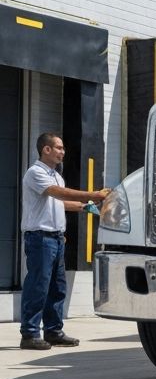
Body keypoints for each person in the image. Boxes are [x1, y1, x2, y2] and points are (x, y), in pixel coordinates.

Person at [20, 133, 109, 351]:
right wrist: (93, 194)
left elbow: (58, 203)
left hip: (57, 238)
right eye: (59, 147)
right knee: (38, 287)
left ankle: (53, 332)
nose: (63, 151)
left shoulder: (57, 176)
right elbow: (57, 193)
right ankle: (30, 334)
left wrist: (88, 207)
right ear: (46, 149)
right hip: (40, 238)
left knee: (57, 288)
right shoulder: (36, 172)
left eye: (63, 148)